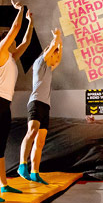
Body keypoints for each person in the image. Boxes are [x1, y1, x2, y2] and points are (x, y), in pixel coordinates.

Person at [0, 1, 33, 202]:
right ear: (4, 40)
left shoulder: (10, 56)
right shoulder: (1, 51)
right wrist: (20, 11)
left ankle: (3, 185)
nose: (14, 40)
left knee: (0, 146)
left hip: (4, 105)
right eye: (10, 38)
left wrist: (31, 21)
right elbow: (15, 28)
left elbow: (25, 42)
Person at [17, 28, 63, 185]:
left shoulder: (49, 69)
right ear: (48, 53)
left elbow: (59, 58)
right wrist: (56, 39)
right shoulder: (40, 62)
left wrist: (60, 44)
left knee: (41, 140)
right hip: (35, 102)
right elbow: (51, 49)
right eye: (54, 55)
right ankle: (22, 165)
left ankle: (35, 172)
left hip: (45, 106)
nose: (56, 59)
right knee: (32, 131)